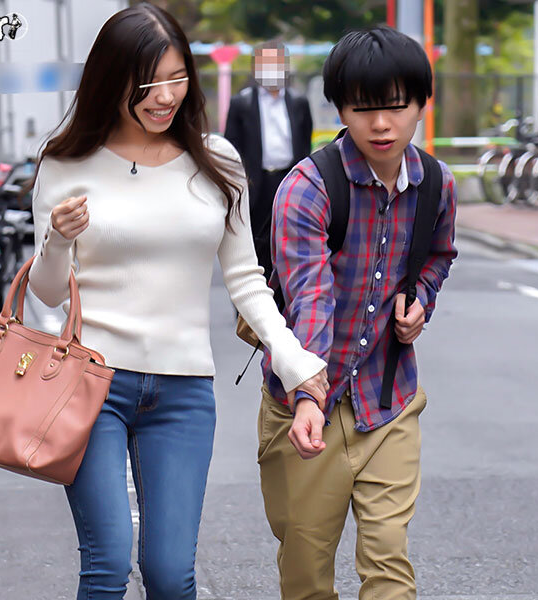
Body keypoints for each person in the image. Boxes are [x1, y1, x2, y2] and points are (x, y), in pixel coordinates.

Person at [26, 5, 328, 599]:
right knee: (108, 564)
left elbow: (246, 279)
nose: (165, 96)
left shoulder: (217, 161)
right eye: (148, 83)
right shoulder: (65, 163)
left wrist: (295, 362)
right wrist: (58, 239)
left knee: (169, 574)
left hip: (183, 390)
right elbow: (48, 292)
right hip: (92, 383)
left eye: (177, 78)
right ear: (111, 80)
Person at [256, 26, 458, 600]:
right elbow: (310, 296)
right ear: (341, 110)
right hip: (305, 407)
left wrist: (421, 301)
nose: (382, 124)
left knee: (388, 557)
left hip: (389, 399)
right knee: (306, 570)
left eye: (397, 106)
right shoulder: (308, 187)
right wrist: (308, 395)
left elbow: (439, 256)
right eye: (363, 109)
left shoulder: (436, 184)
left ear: (421, 102)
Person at [224, 41, 313, 279]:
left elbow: (305, 144)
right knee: (254, 248)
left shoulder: (298, 102)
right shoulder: (242, 103)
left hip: (289, 181)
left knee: (291, 242)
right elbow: (231, 148)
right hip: (256, 185)